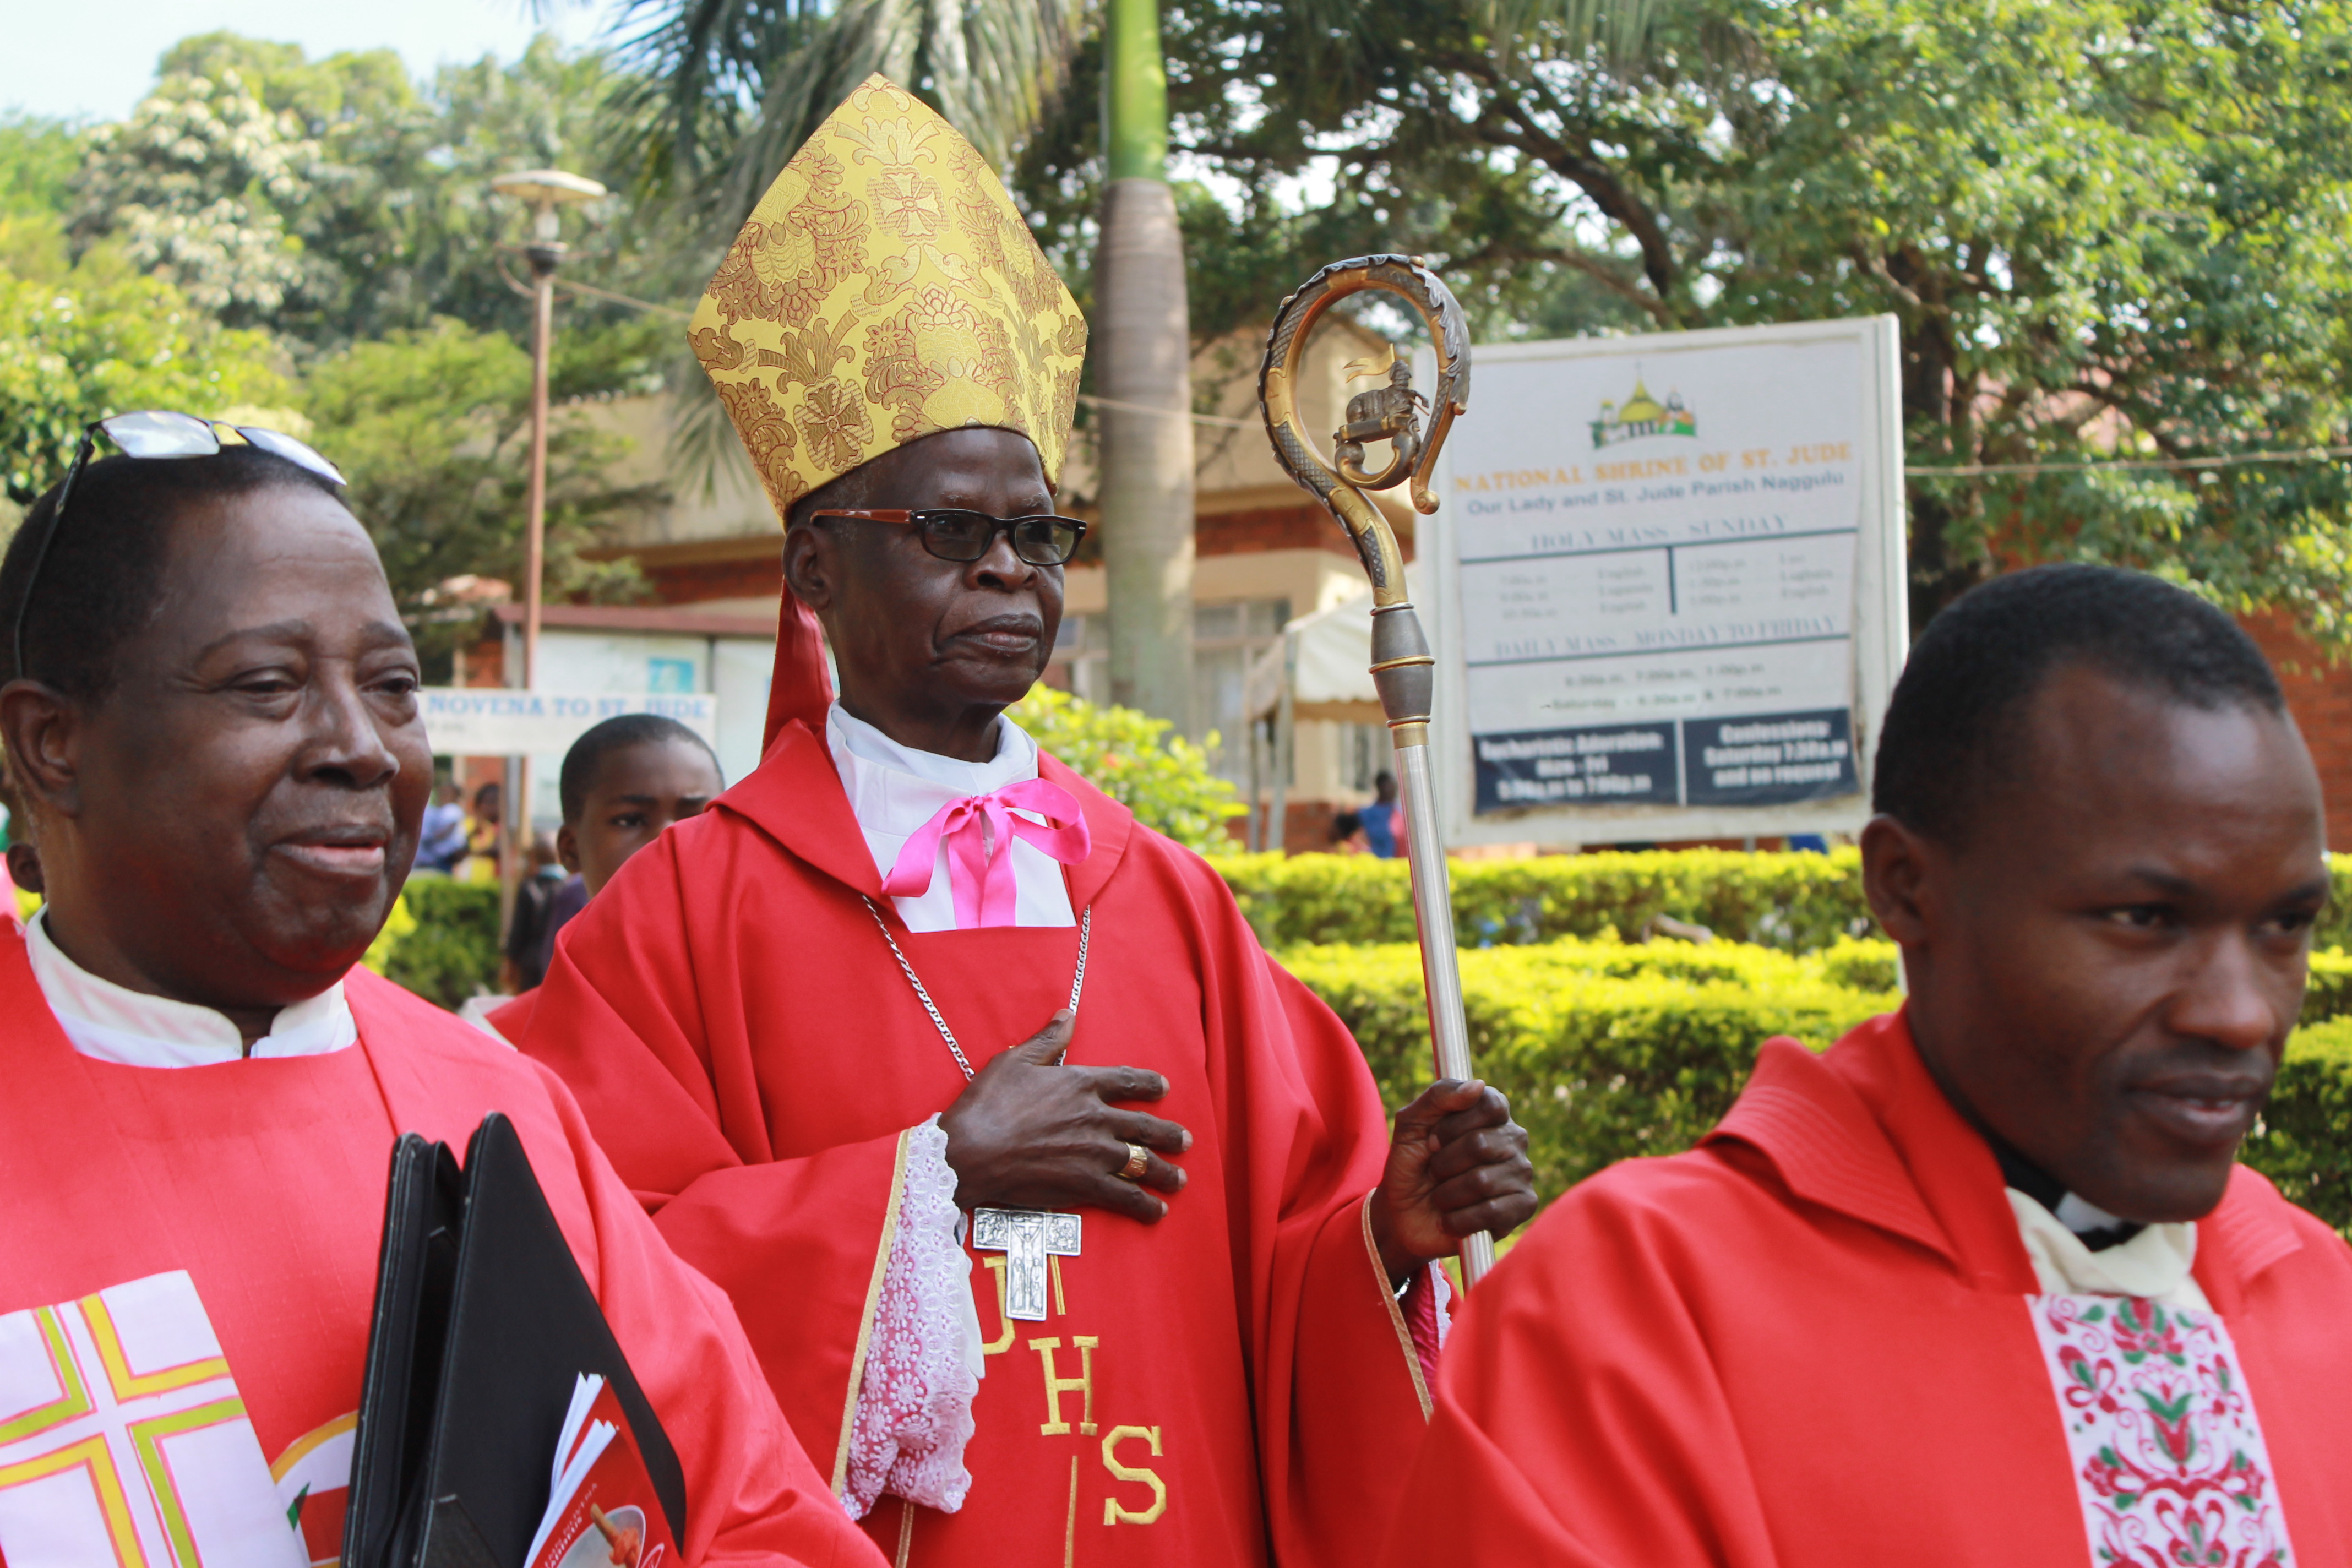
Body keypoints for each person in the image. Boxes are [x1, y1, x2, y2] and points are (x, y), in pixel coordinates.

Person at [520, 74, 1538, 1567]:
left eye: (1037, 531)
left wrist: (1391, 1230)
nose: (1011, 574)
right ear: (813, 571)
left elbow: (1286, 1267)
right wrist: (925, 1180)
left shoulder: (1170, 900)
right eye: (948, 532)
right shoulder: (675, 925)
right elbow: (596, 1286)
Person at [0, 433, 881, 1567]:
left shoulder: (496, 1107)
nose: (363, 749)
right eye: (269, 684)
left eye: (393, 687)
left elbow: (755, 1517)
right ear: (51, 742)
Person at [1377, 563, 2352, 1566]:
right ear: (1905, 888)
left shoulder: (2320, 1296)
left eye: (2285, 925)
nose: (2239, 1013)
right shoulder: (1638, 1311)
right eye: (2143, 918)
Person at [485, 714, 723, 1044]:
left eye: (699, 818)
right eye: (631, 820)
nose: (671, 839)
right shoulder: (512, 1045)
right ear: (570, 850)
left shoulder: (784, 1006)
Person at [417, 776, 469, 873]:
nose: (444, 796)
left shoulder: (453, 809)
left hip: (447, 854)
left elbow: (449, 827)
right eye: (442, 793)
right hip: (440, 854)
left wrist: (432, 838)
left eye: (448, 793)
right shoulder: (441, 810)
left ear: (456, 796)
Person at [1359, 771, 1401, 858]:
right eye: (1388, 787)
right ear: (1380, 788)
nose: (1392, 791)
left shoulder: (1401, 813)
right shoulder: (1366, 814)